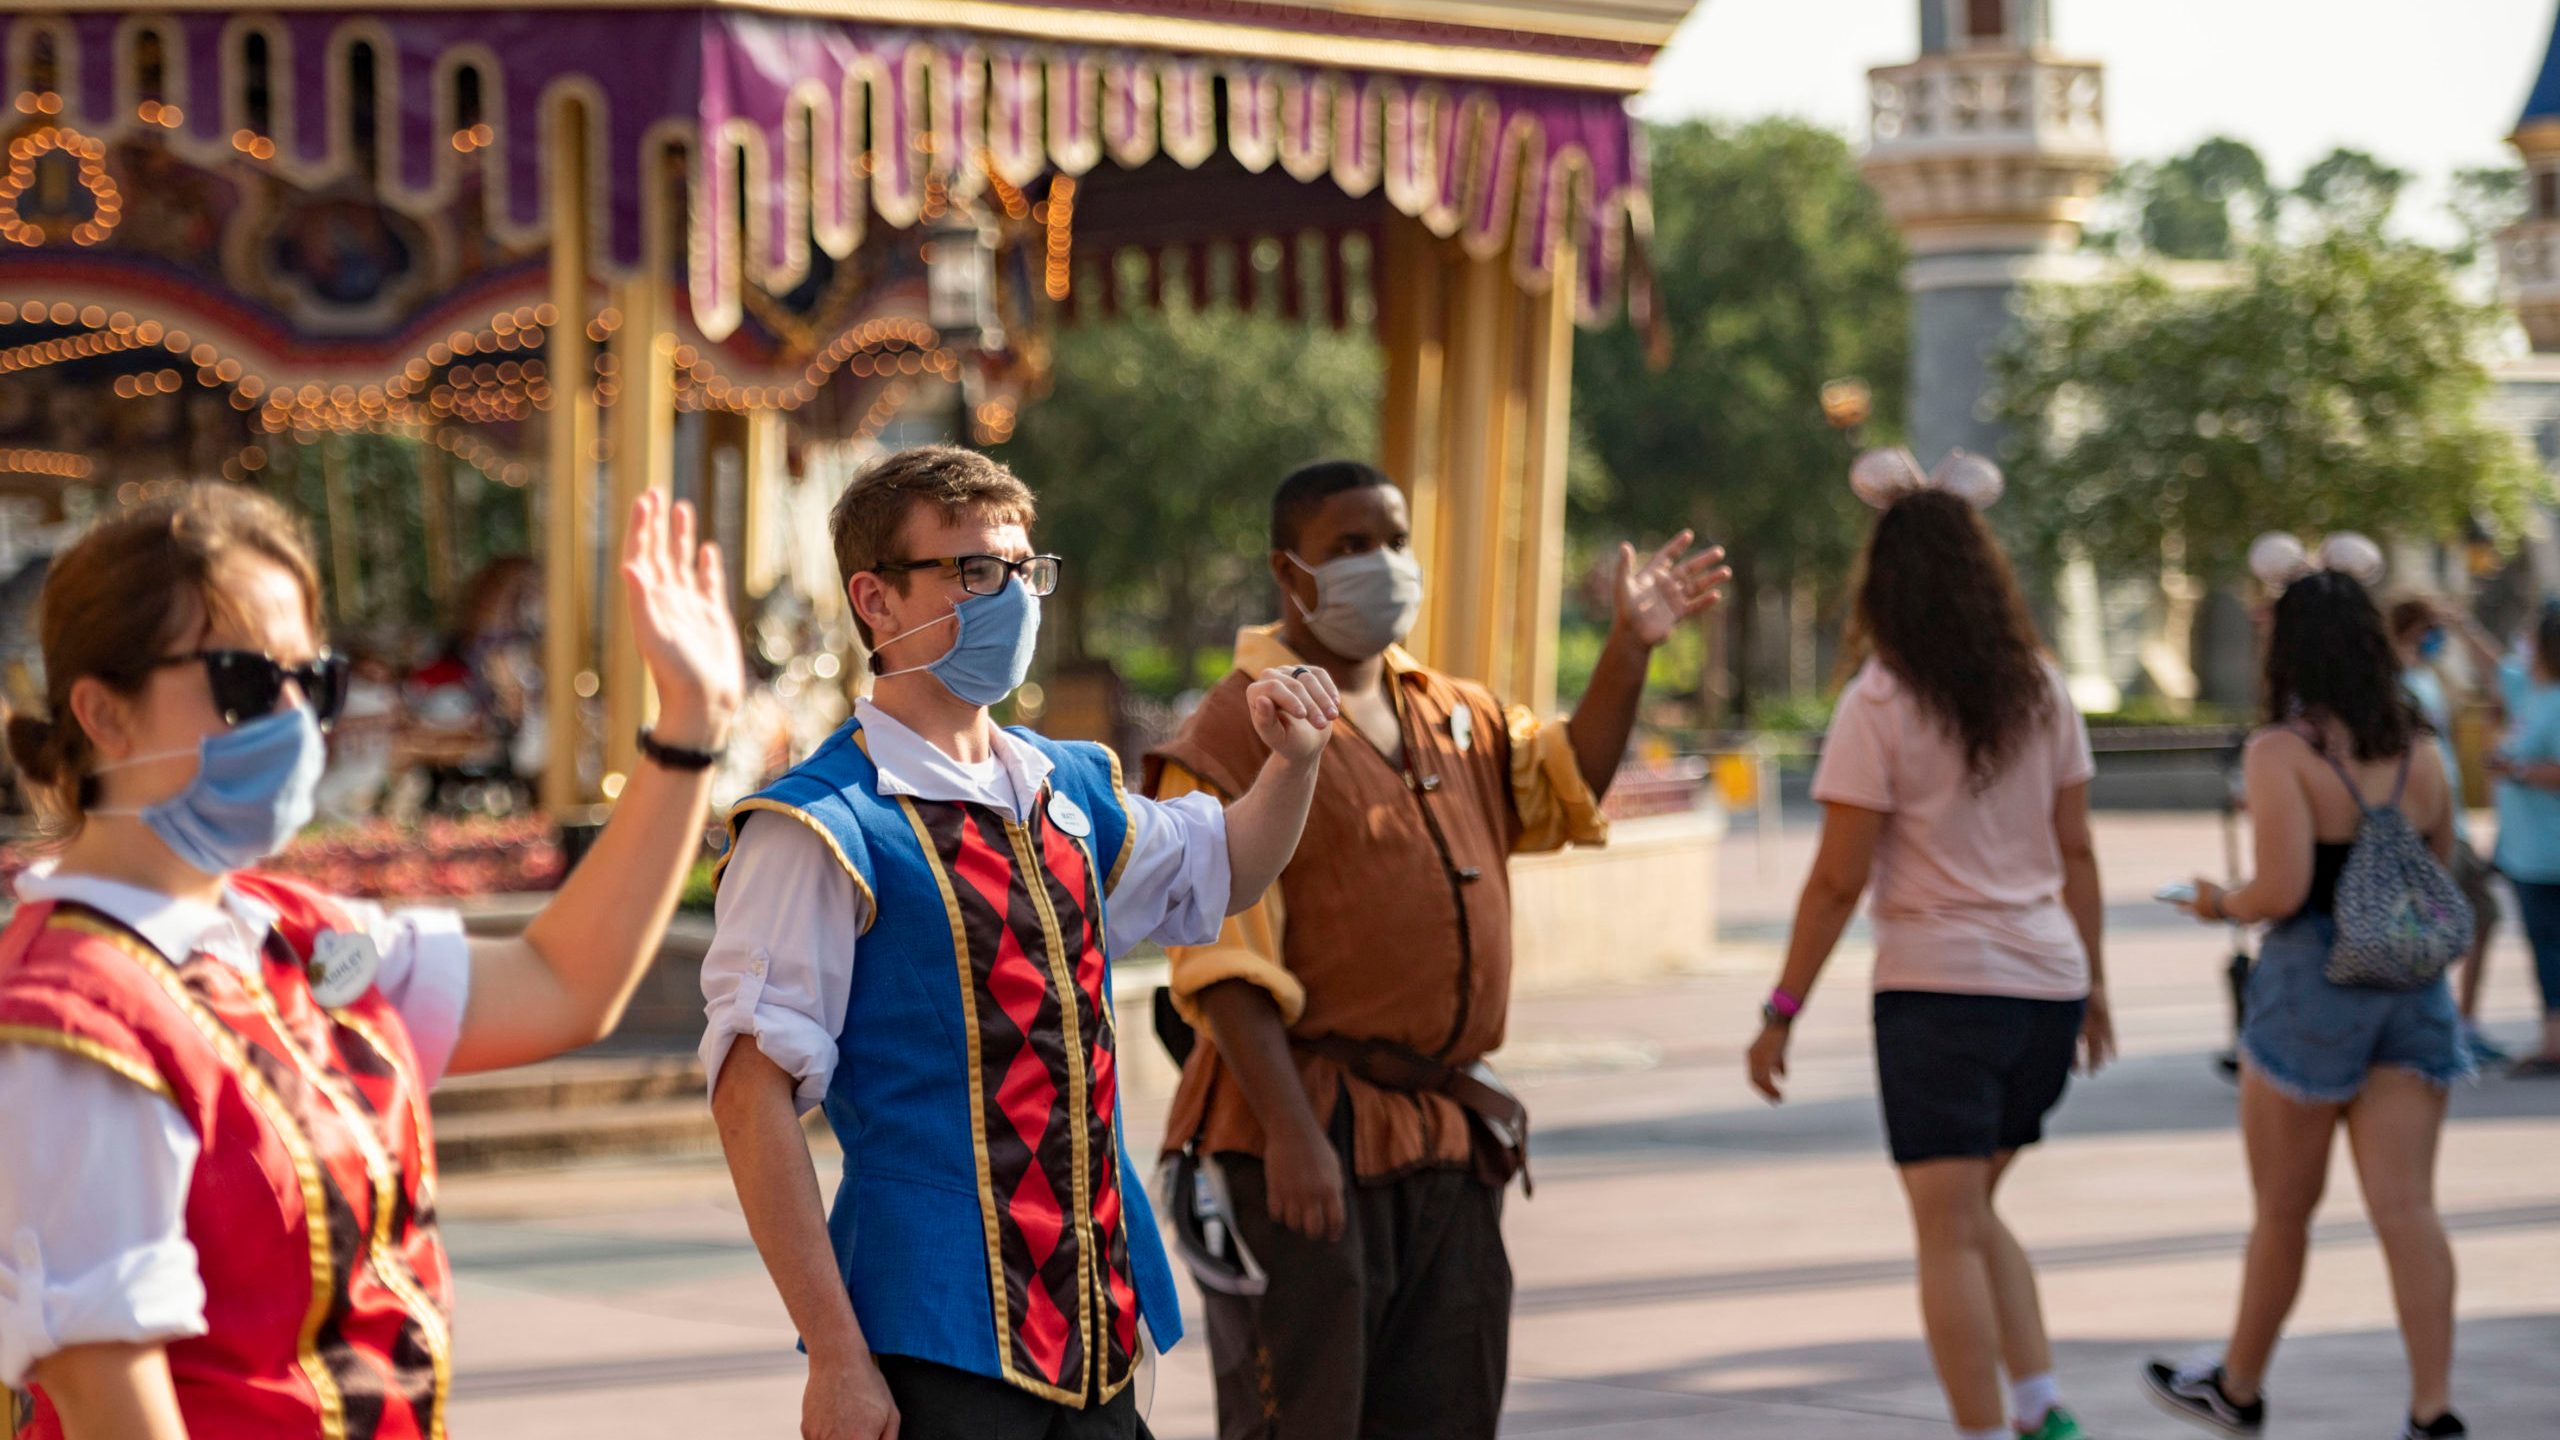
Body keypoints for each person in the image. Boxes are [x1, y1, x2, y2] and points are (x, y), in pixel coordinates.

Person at [0, 482, 742, 1439]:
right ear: (104, 712)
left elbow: (562, 986)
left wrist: (690, 727)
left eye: (312, 685)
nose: (292, 722)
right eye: (244, 682)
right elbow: (114, 1403)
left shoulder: (287, 930)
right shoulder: (66, 1018)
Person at [701, 446, 1337, 1440]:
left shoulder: (1067, 788)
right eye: (970, 572)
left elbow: (1226, 869)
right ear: (875, 599)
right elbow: (751, 1096)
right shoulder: (818, 826)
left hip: (1097, 1322)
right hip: (933, 1338)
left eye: (1022, 570)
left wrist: (1292, 766)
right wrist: (833, 1353)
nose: (1011, 598)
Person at [1145, 458, 1728, 1440]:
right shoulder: (1235, 727)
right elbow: (1221, 965)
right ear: (1291, 576)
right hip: (1303, 1134)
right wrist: (1291, 1137)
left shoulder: (1452, 711)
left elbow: (1566, 784)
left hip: (1446, 1129)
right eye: (1350, 548)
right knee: (1308, 1418)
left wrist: (1628, 648)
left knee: (1449, 1409)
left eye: (1393, 541)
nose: (1383, 565)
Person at [1745, 454, 2107, 1440]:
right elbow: (2075, 849)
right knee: (1975, 1208)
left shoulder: (1880, 702)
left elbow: (1834, 879)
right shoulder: (2042, 688)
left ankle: (1985, 1430)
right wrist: (2099, 989)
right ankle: (2041, 1408)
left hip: (1939, 994)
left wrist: (1780, 1011)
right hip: (2046, 991)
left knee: (1945, 1228)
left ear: (1882, 583)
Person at [2146, 542, 2471, 1440]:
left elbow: (2280, 891)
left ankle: (2239, 1387)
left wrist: (2215, 903)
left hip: (2309, 990)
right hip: (2408, 990)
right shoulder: (2421, 748)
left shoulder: (2281, 753)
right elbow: (2438, 873)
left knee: (2284, 1211)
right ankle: (2433, 1409)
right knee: (2408, 1209)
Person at [2386, 597, 2506, 1063]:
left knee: (2479, 916)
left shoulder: (2427, 676)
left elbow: (2502, 681)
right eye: (2431, 628)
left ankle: (2461, 1021)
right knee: (2433, 925)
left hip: (2449, 820)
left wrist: (2465, 627)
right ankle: (2433, 1021)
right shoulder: (2391, 683)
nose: (2439, 637)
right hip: (2422, 826)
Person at [2488, 604, 2560, 1076]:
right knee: (2545, 947)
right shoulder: (2532, 690)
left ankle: (2555, 1045)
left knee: (2552, 948)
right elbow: (2495, 668)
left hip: (2549, 852)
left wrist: (2513, 769)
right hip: (2528, 851)